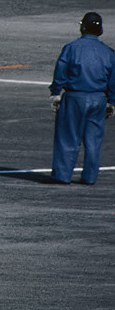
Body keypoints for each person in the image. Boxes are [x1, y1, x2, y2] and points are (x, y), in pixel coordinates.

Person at [48, 12, 115, 184]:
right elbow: (113, 80)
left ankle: (62, 176)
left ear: (83, 26)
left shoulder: (71, 48)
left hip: (75, 96)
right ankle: (90, 177)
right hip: (98, 98)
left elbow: (61, 72)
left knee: (68, 137)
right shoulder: (108, 52)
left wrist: (56, 92)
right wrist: (111, 101)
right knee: (93, 140)